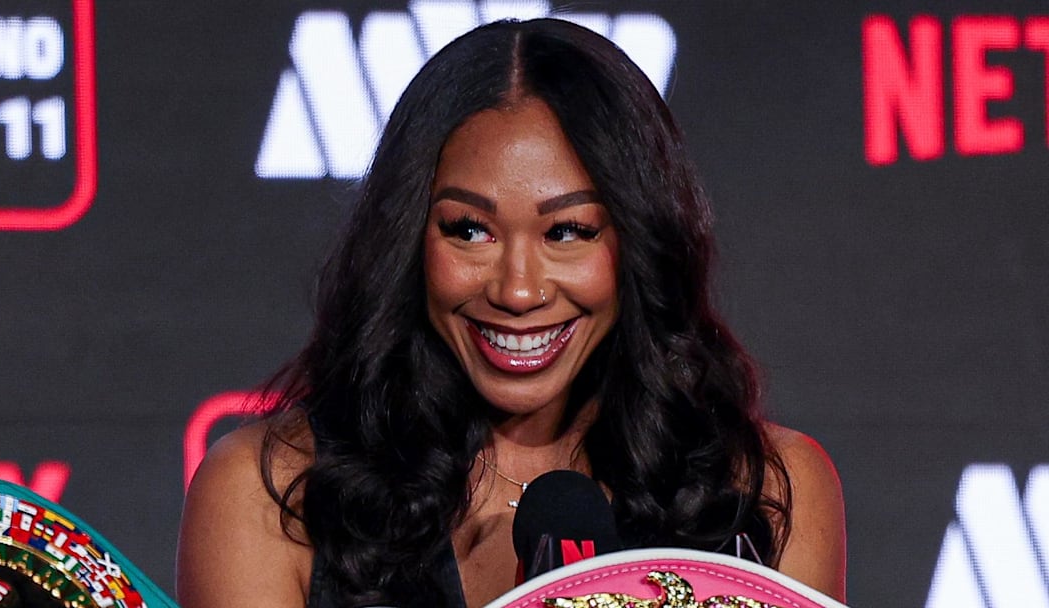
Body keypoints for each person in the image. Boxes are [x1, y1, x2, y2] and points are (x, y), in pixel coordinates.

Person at [176, 18, 846, 608]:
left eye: (567, 232)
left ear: (637, 244)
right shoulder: (271, 497)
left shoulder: (764, 492)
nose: (518, 291)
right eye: (470, 231)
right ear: (407, 237)